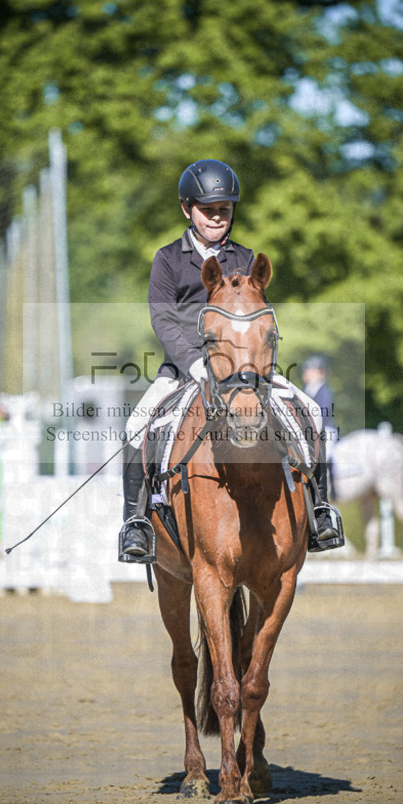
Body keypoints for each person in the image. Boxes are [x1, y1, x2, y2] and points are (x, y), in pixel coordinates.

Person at [119, 159, 340, 563]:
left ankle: (321, 510)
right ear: (188, 209)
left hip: (245, 372)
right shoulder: (168, 258)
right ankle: (136, 522)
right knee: (137, 424)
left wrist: (257, 363)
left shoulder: (247, 257)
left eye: (224, 209)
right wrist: (194, 362)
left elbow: (259, 318)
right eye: (208, 210)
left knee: (309, 410)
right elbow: (163, 319)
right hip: (186, 370)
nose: (217, 218)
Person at [301, 355, 338, 463]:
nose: (307, 374)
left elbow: (324, 413)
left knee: (324, 457)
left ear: (321, 373)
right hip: (308, 430)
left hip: (324, 430)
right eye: (307, 371)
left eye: (312, 371)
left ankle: (328, 478)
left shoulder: (325, 391)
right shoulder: (305, 390)